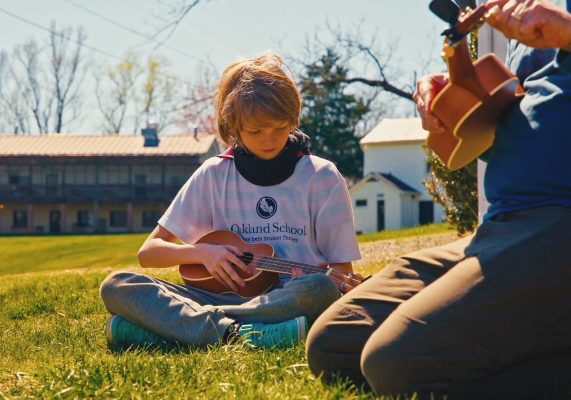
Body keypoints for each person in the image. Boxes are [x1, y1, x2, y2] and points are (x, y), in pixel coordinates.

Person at [305, 0, 571, 398]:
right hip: (502, 224)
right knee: (334, 343)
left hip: (559, 223)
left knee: (394, 364)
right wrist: (453, 98)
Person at [99, 52, 361, 350]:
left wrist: (337, 284)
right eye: (256, 130)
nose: (270, 138)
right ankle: (248, 334)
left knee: (320, 287)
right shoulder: (213, 174)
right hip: (215, 297)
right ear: (233, 127)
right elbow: (149, 253)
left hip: (286, 299)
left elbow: (342, 274)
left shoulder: (321, 176)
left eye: (280, 126)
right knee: (117, 285)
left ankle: (187, 328)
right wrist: (202, 254)